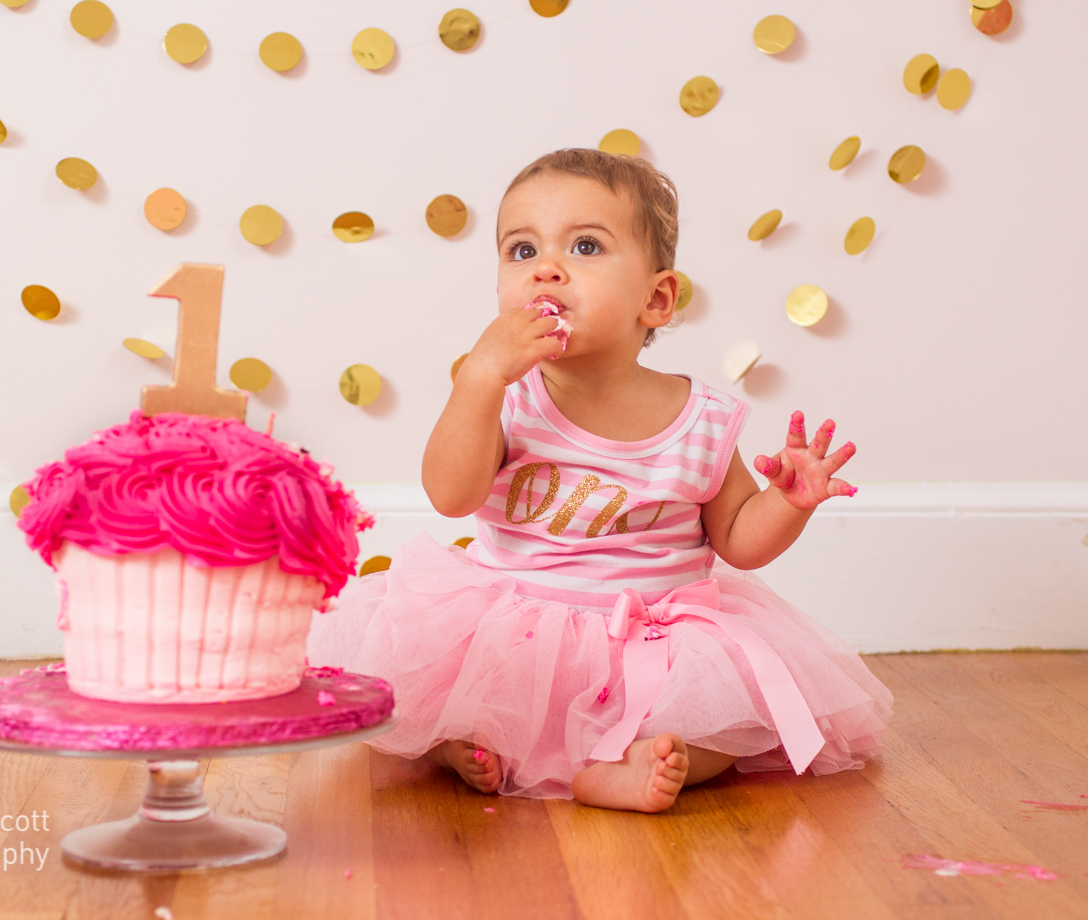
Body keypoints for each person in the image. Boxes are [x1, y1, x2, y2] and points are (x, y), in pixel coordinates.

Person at [306, 148, 892, 812]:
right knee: (417, 700)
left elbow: (736, 540)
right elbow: (451, 494)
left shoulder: (699, 419)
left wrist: (788, 501)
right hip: (513, 631)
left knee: (725, 729)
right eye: (520, 251)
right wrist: (477, 378)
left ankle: (625, 763)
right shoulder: (508, 398)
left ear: (656, 298)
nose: (546, 268)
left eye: (584, 246)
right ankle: (457, 742)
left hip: (652, 639)